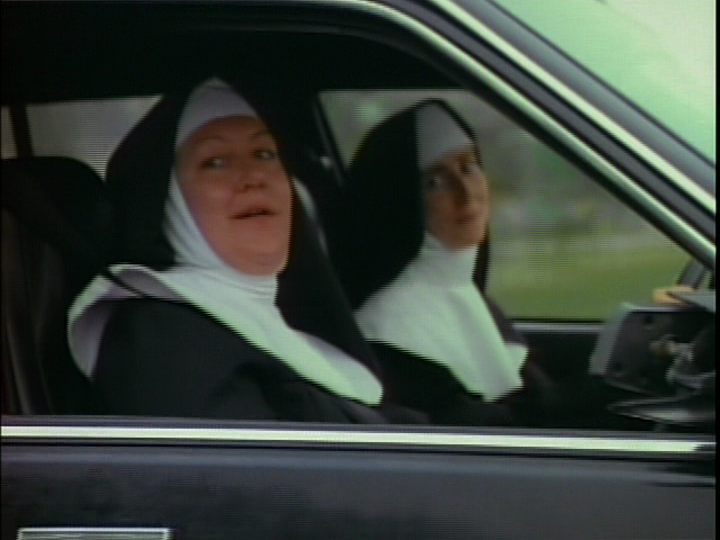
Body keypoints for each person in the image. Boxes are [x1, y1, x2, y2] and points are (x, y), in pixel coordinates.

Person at [67, 77, 413, 423]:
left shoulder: (277, 323)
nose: (253, 177)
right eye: (216, 162)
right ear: (171, 202)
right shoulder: (159, 337)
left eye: (264, 154)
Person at [328, 99, 556, 426]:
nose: (466, 194)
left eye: (469, 166)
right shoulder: (388, 333)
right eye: (435, 181)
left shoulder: (467, 295)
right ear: (401, 199)